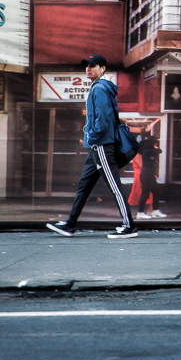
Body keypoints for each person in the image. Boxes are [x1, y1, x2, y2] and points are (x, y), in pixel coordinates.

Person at [46, 54, 137, 238]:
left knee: (114, 186)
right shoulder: (100, 87)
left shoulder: (99, 89)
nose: (88, 69)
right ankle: (70, 224)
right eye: (87, 66)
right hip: (97, 147)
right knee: (84, 185)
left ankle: (129, 227)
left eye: (93, 66)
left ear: (102, 69)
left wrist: (93, 136)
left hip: (102, 145)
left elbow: (102, 119)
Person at [137, 134, 166, 219]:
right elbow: (159, 150)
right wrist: (156, 147)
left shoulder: (149, 151)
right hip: (146, 175)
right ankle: (140, 212)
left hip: (150, 175)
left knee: (156, 192)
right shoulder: (147, 151)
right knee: (145, 194)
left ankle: (155, 210)